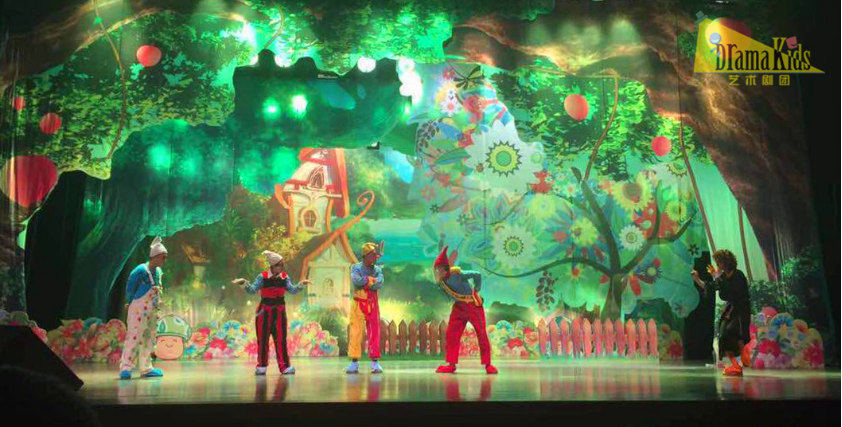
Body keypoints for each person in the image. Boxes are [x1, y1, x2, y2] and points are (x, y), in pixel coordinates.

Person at [233, 250, 309, 375]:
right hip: (264, 311)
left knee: (281, 339)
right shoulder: (262, 277)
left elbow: (292, 290)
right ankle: (262, 366)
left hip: (279, 312)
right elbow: (252, 290)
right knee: (263, 339)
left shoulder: (284, 277)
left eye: (282, 265)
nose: (281, 267)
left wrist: (301, 285)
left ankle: (284, 367)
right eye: (278, 265)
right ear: (272, 266)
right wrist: (243, 283)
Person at [433, 246, 497, 374]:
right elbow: (448, 298)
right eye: (436, 269)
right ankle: (451, 364)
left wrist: (477, 288)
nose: (437, 272)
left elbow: (477, 274)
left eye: (439, 269)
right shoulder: (442, 283)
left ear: (445, 268)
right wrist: (441, 290)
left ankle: (488, 364)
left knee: (481, 334)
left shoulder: (457, 274)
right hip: (459, 307)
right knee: (452, 334)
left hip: (473, 305)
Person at [691, 249, 752, 376]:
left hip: (740, 309)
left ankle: (743, 357)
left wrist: (718, 277)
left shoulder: (738, 275)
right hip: (731, 309)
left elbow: (732, 293)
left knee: (735, 333)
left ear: (725, 262)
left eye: (719, 262)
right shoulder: (723, 277)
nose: (717, 265)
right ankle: (735, 365)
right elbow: (710, 287)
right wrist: (697, 279)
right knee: (724, 335)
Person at [119, 236, 168, 380]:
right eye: (163, 257)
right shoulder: (140, 270)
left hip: (152, 309)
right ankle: (126, 367)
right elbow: (130, 286)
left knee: (149, 337)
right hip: (139, 308)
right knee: (134, 336)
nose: (164, 260)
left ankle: (146, 367)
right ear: (156, 256)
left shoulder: (158, 272)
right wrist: (129, 301)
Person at [346, 242, 384, 374]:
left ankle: (375, 362)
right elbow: (356, 281)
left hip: (372, 304)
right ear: (365, 255)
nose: (375, 257)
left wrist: (366, 281)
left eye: (376, 255)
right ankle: (354, 362)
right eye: (373, 254)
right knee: (355, 332)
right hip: (358, 304)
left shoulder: (377, 269)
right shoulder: (356, 268)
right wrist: (370, 280)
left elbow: (380, 283)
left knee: (374, 332)